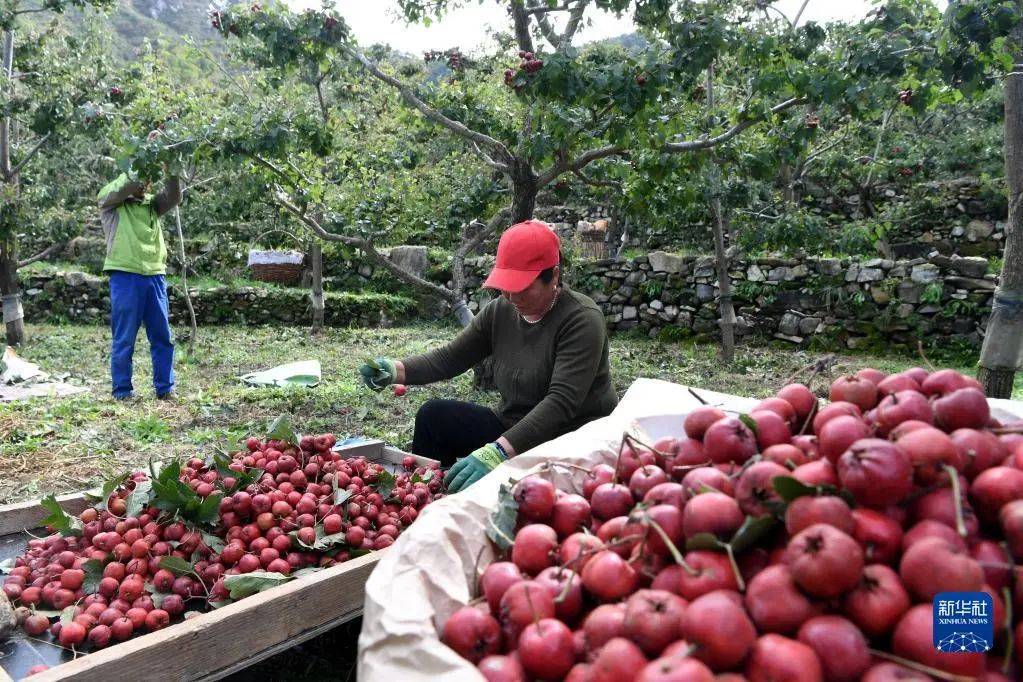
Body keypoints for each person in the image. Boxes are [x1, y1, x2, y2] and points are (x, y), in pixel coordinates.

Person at [359, 219, 618, 493]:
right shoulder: (501, 311)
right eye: (506, 286)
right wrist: (395, 369)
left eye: (522, 287)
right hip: (514, 428)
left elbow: (561, 402)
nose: (511, 296)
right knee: (433, 417)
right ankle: (425, 498)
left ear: (553, 276)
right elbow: (450, 359)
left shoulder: (581, 319)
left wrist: (498, 452)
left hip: (571, 442)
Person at [97, 172, 182, 400]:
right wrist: (144, 157)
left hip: (155, 274)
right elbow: (124, 185)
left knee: (162, 336)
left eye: (148, 179)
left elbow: (174, 197)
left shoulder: (152, 205)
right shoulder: (110, 200)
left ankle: (165, 388)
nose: (145, 183)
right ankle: (122, 390)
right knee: (124, 337)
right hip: (125, 275)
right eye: (142, 177)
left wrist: (168, 164)